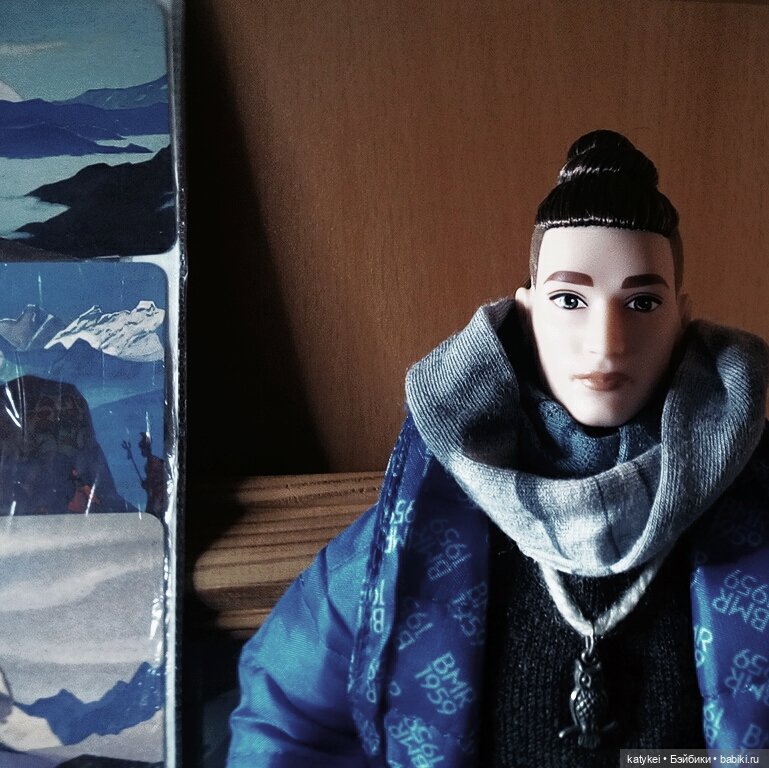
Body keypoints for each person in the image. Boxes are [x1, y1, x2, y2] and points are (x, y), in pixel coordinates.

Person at [227, 130, 769, 766]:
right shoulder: (419, 525)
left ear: (681, 316)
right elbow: (284, 716)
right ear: (527, 311)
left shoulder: (750, 506)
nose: (607, 341)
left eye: (642, 302)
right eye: (570, 299)